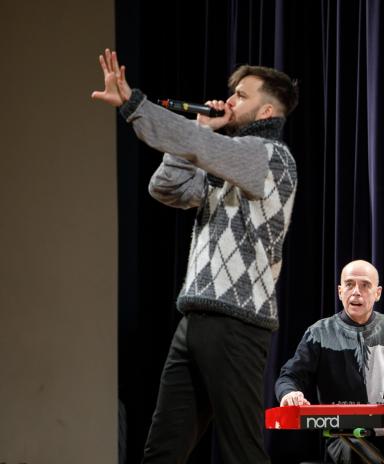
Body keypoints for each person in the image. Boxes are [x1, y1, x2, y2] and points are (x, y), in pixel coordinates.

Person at [91, 49, 299, 463]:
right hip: (196, 318)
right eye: (232, 93)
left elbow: (200, 147)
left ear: (267, 110)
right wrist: (200, 131)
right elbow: (166, 188)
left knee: (242, 451)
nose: (230, 101)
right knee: (163, 449)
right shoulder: (226, 163)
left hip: (237, 321)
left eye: (242, 95)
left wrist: (135, 104)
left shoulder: (270, 157)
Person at [275, 260, 384, 463]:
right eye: (349, 284)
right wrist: (289, 393)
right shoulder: (319, 333)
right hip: (346, 437)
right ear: (340, 291)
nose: (356, 292)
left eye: (365, 285)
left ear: (378, 293)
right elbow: (290, 377)